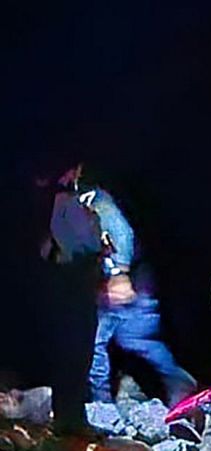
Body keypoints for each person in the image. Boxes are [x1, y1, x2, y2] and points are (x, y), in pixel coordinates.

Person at [61, 166, 196, 411]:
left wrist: (118, 274)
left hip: (124, 283)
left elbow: (122, 233)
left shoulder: (95, 199)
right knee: (134, 339)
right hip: (119, 283)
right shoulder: (77, 200)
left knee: (99, 343)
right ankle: (178, 382)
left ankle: (102, 406)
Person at [33, 159, 144, 434]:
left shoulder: (62, 202)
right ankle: (73, 420)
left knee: (81, 349)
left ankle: (73, 416)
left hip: (73, 280)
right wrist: (106, 258)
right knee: (80, 349)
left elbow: (51, 247)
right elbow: (78, 243)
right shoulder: (67, 202)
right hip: (76, 281)